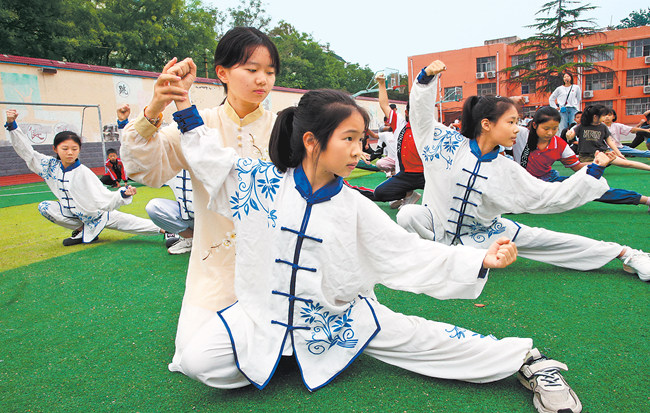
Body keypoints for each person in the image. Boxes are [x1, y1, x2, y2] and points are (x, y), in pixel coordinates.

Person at [170, 88, 583, 413]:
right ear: (312, 141)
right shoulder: (259, 182)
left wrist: (478, 258)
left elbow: (407, 253)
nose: (358, 151)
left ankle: (527, 359)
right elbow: (211, 160)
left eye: (361, 140)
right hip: (261, 317)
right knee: (196, 362)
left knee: (424, 340)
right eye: (348, 139)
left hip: (339, 318)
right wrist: (185, 106)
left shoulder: (354, 207)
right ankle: (287, 349)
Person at [398, 60, 650, 282]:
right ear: (486, 124)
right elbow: (421, 119)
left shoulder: (506, 168)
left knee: (549, 239)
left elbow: (549, 196)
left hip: (485, 234)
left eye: (517, 122)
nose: (517, 128)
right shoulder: (448, 145)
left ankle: (628, 254)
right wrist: (426, 79)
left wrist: (593, 170)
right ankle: (434, 256)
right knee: (408, 214)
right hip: (436, 227)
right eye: (510, 122)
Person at [120, 27, 280, 369]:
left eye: (269, 72)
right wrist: (157, 106)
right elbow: (147, 170)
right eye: (251, 69)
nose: (262, 80)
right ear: (222, 73)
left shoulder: (284, 128)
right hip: (215, 265)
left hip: (275, 264)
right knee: (192, 356)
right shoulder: (196, 124)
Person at [5, 109, 163, 246]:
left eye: (74, 148)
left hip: (98, 215)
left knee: (133, 223)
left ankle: (171, 230)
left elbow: (104, 198)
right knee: (45, 207)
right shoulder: (49, 166)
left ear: (79, 150)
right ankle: (81, 230)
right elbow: (27, 153)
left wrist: (121, 194)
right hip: (75, 217)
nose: (69, 152)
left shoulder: (84, 172)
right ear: (55, 149)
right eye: (65, 148)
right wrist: (12, 126)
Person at [512, 106, 650, 211]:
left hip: (549, 181)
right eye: (546, 128)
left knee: (592, 188)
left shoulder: (559, 144)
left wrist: (599, 162)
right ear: (535, 125)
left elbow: (577, 167)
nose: (550, 133)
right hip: (522, 183)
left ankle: (645, 200)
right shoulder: (520, 134)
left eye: (555, 129)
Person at [373, 72, 424, 209]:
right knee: (380, 193)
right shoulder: (400, 124)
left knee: (443, 193)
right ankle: (407, 195)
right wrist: (382, 83)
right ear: (406, 113)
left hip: (426, 175)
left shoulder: (429, 127)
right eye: (414, 112)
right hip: (405, 175)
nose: (417, 115)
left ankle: (409, 197)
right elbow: (384, 105)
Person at [566, 105, 650, 171]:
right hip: (586, 157)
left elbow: (610, 141)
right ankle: (602, 164)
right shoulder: (582, 126)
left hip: (604, 154)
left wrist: (619, 154)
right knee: (586, 170)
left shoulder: (603, 127)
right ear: (595, 117)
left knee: (627, 163)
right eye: (603, 115)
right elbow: (571, 135)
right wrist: (569, 135)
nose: (605, 117)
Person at [145, 169, 195, 254]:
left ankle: (217, 238)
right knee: (153, 207)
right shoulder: (174, 166)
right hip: (189, 217)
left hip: (214, 220)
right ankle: (192, 239)